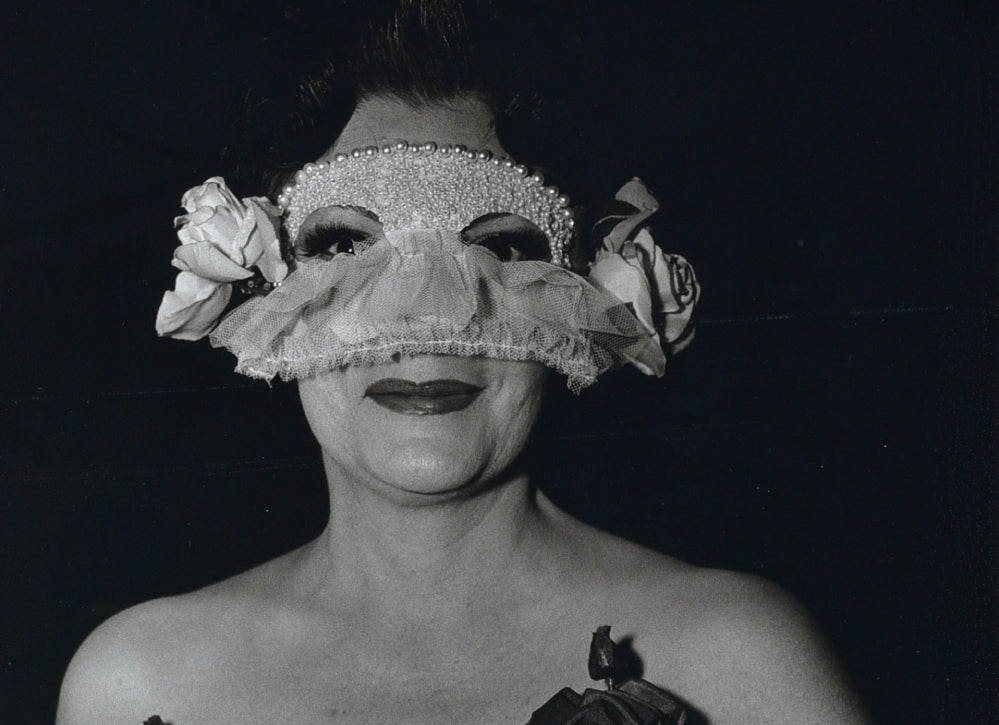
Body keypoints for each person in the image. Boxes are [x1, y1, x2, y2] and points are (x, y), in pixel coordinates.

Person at [56, 2, 870, 723]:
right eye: (344, 246)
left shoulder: (742, 664)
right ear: (262, 293)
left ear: (580, 292)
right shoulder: (138, 680)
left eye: (499, 250)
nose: (424, 318)